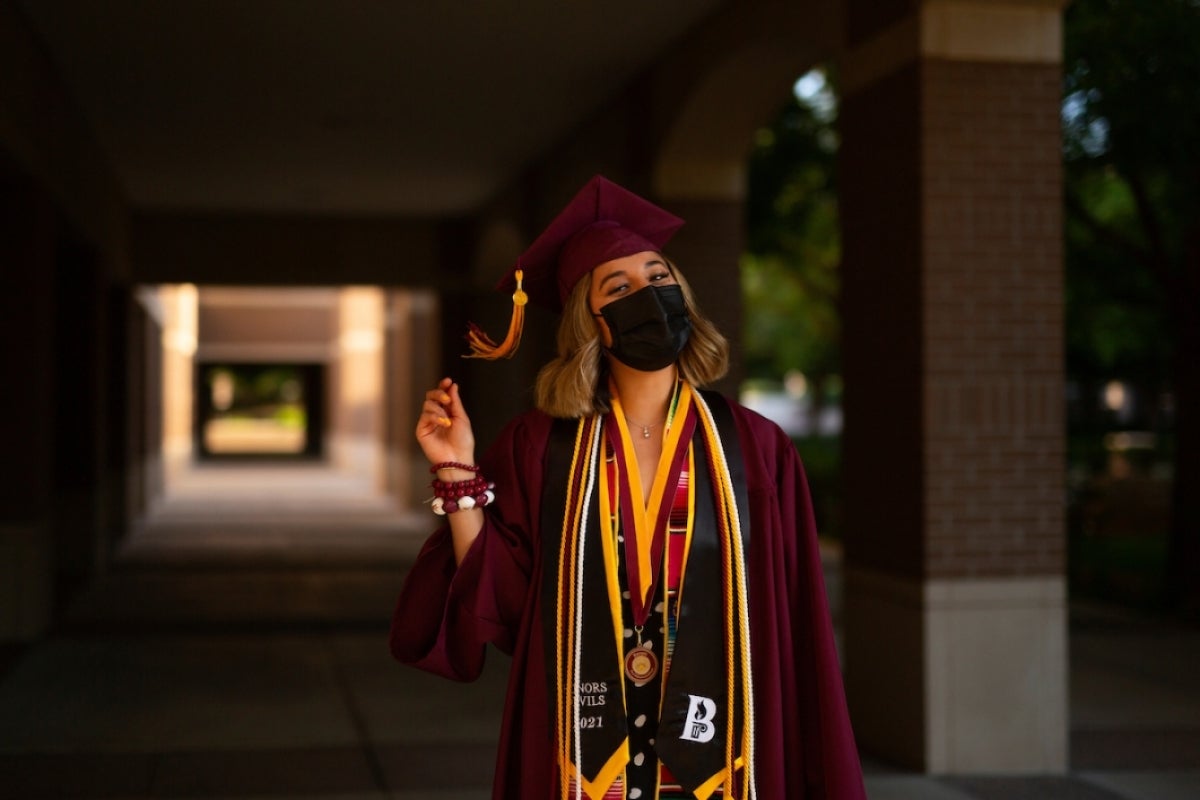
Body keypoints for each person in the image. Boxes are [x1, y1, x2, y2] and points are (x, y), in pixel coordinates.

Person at [390, 175, 866, 800]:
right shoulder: (541, 446)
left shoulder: (755, 446)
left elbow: (792, 619)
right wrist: (456, 472)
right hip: (587, 760)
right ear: (593, 323)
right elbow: (505, 600)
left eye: (659, 277)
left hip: (724, 754)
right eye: (620, 287)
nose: (649, 295)